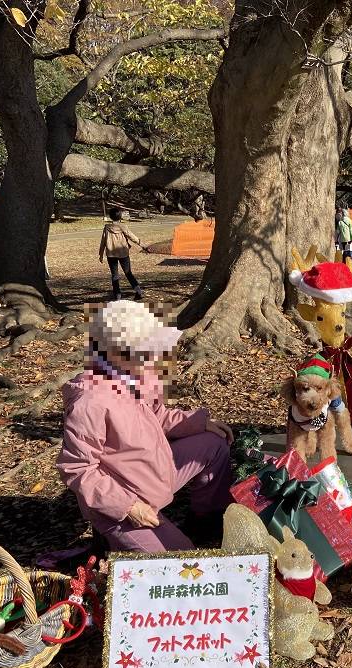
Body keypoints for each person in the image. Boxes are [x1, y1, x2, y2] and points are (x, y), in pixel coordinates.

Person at [57, 300, 234, 553]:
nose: (155, 358)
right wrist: (127, 507)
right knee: (180, 561)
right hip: (124, 501)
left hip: (153, 471)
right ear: (115, 353)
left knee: (214, 444)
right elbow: (78, 469)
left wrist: (199, 423)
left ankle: (205, 521)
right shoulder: (90, 401)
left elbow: (156, 416)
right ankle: (112, 537)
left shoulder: (138, 373)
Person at [99, 207, 145, 301]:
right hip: (123, 253)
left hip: (111, 254)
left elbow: (103, 242)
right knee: (128, 273)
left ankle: (117, 296)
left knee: (115, 275)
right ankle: (139, 291)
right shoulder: (123, 226)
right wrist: (142, 244)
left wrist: (100, 254)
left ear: (110, 217)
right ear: (120, 217)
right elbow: (132, 237)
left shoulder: (107, 228)